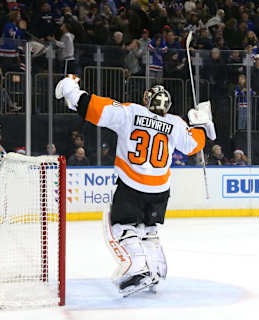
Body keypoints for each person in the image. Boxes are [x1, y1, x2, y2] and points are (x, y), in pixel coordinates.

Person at [55, 75, 215, 296]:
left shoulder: (131, 112)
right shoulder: (176, 123)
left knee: (122, 227)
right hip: (160, 189)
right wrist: (201, 125)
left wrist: (71, 90)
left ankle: (138, 269)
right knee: (149, 229)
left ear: (147, 100)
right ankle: (157, 268)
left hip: (132, 185)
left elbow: (93, 108)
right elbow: (193, 145)